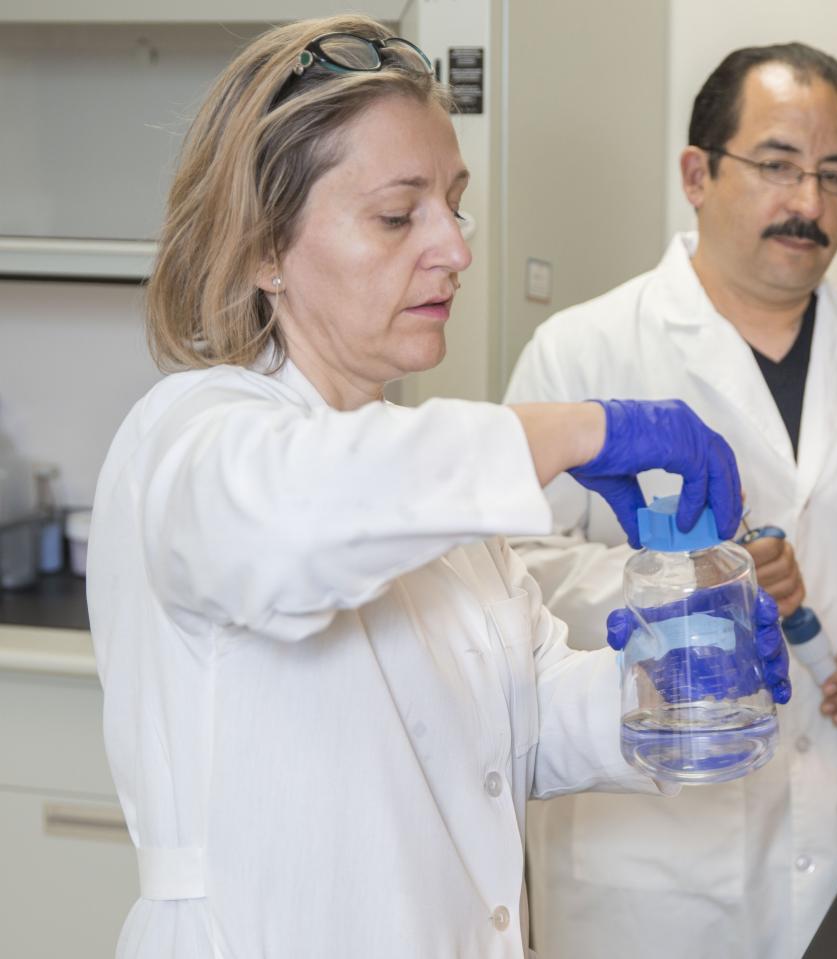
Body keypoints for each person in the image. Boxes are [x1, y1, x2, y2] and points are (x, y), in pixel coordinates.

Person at [86, 17, 787, 959]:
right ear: (260, 247)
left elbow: (517, 732)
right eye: (396, 213)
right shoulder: (189, 436)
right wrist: (583, 426)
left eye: (452, 205)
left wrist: (666, 676)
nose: (453, 248)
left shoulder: (428, 481)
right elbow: (296, 529)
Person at [504, 42, 837, 959]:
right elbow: (509, 570)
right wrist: (687, 578)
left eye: (835, 176)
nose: (808, 204)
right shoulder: (582, 350)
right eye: (777, 165)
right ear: (697, 173)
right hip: (650, 870)